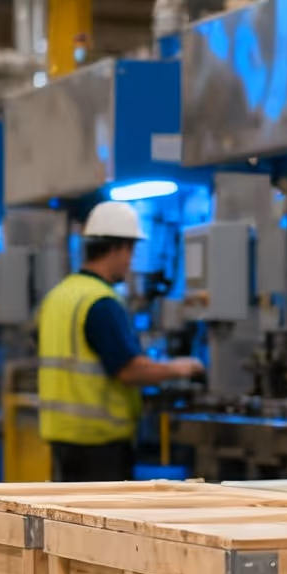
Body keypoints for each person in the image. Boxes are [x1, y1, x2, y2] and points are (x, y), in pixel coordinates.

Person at [37, 199, 205, 484]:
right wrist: (180, 368)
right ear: (117, 248)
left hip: (62, 440)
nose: (130, 261)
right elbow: (129, 370)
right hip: (99, 445)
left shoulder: (59, 295)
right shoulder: (101, 301)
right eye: (131, 251)